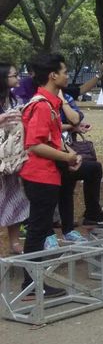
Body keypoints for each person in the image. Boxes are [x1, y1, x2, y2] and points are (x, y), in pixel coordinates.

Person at [19, 53, 82, 298]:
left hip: (47, 176)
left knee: (40, 228)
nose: (67, 75)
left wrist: (70, 154)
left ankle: (33, 282)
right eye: (64, 71)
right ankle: (31, 283)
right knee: (38, 230)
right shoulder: (42, 105)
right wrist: (66, 158)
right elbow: (34, 144)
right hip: (39, 176)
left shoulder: (51, 104)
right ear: (53, 75)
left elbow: (51, 141)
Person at [58, 87, 103, 227]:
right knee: (90, 170)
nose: (66, 77)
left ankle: (71, 225)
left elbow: (75, 118)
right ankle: (90, 215)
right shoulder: (43, 101)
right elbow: (53, 126)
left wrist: (63, 101)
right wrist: (71, 126)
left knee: (70, 183)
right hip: (55, 153)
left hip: (66, 148)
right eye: (64, 73)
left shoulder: (66, 97)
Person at [0, 63, 29, 255]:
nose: (18, 78)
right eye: (14, 75)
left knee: (16, 198)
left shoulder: (13, 98)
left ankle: (15, 243)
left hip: (13, 159)